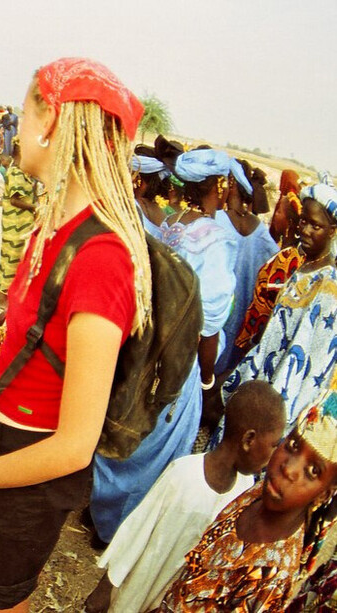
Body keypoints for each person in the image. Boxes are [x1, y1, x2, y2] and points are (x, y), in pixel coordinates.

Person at [0, 58, 150, 613]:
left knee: (5, 599)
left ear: (50, 120)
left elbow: (73, 447)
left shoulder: (101, 259)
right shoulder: (50, 230)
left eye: (24, 113)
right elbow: (25, 349)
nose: (15, 128)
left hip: (35, 460)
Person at [90, 148, 238, 545]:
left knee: (128, 424)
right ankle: (121, 531)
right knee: (157, 443)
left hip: (146, 348)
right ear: (219, 186)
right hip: (180, 360)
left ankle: (100, 514)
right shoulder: (217, 243)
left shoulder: (170, 226)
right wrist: (207, 382)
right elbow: (208, 327)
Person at [84, 381, 285, 613]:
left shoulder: (244, 491)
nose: (273, 456)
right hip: (139, 589)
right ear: (249, 440)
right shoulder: (183, 474)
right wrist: (105, 588)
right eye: (273, 445)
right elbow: (137, 532)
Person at [160, 394, 337, 612]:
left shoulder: (272, 577)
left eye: (312, 471)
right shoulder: (259, 492)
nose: (289, 469)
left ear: (323, 495)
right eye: (292, 445)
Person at [223, 185, 337, 429]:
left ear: (332, 232)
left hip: (282, 397)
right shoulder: (304, 267)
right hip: (264, 380)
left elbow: (311, 360)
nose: (304, 230)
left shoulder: (328, 285)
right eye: (303, 221)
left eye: (315, 226)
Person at [213, 158, 279, 373]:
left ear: (231, 183)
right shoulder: (262, 233)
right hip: (243, 326)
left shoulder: (216, 221)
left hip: (215, 320)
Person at [0, 143, 38, 306]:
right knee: (11, 258)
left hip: (22, 224)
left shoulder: (23, 172)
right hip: (14, 225)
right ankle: (2, 296)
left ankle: (11, 292)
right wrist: (37, 208)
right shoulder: (15, 173)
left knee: (17, 257)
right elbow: (15, 199)